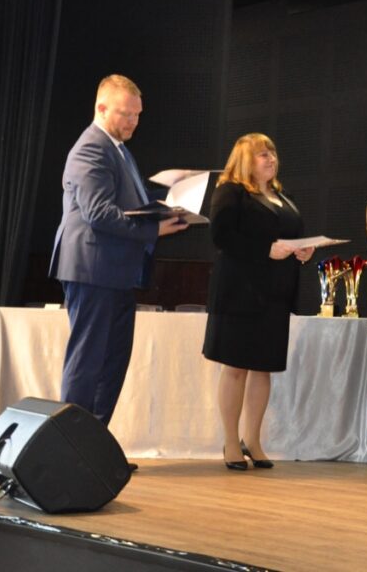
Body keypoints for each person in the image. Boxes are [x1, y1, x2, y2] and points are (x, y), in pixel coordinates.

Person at [49, 74, 187, 428]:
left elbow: (128, 204)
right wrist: (155, 228)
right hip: (92, 268)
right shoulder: (92, 147)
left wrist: (173, 201)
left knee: (112, 363)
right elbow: (98, 213)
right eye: (126, 114)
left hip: (116, 271)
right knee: (88, 361)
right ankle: (70, 444)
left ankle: (93, 443)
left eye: (138, 115)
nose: (133, 122)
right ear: (101, 108)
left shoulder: (118, 149)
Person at [202, 133, 313, 470]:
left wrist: (302, 249)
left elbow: (289, 237)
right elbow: (221, 236)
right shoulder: (231, 192)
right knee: (236, 367)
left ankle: (253, 439)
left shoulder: (282, 196)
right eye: (263, 154)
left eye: (272, 153)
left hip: (275, 295)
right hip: (240, 292)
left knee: (263, 368)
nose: (271, 159)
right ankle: (230, 441)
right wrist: (266, 249)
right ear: (244, 160)